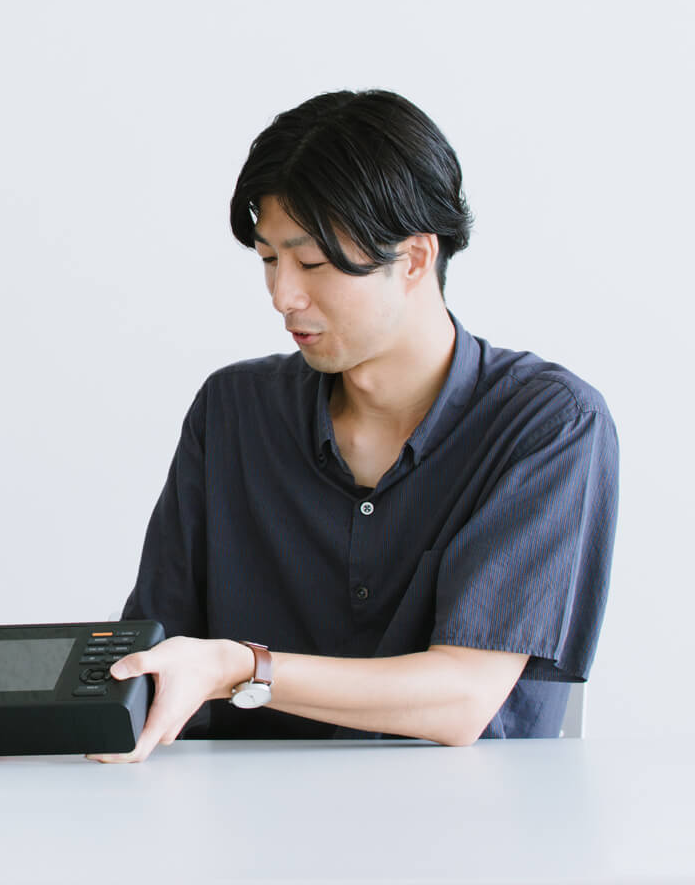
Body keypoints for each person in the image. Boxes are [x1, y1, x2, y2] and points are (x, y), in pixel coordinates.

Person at [100, 90, 617, 762]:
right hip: (243, 842)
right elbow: (151, 658)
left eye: (312, 262)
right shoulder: (233, 411)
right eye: (267, 259)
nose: (284, 295)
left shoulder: (547, 424)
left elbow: (461, 699)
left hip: (465, 847)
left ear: (415, 259)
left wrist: (243, 668)